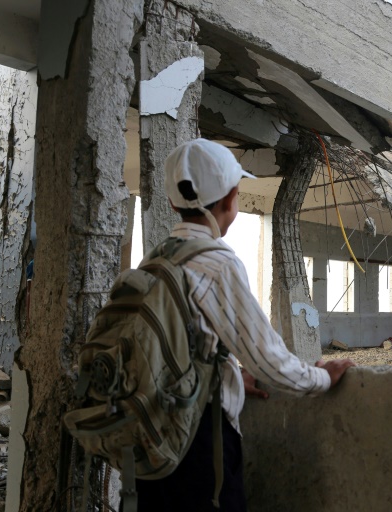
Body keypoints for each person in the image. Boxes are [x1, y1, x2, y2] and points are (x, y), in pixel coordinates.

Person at [135, 138, 355, 511]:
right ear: (231, 199)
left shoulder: (154, 260)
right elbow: (268, 360)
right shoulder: (217, 263)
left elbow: (175, 350)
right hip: (197, 441)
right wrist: (322, 378)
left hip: (150, 437)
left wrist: (230, 375)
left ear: (172, 202)